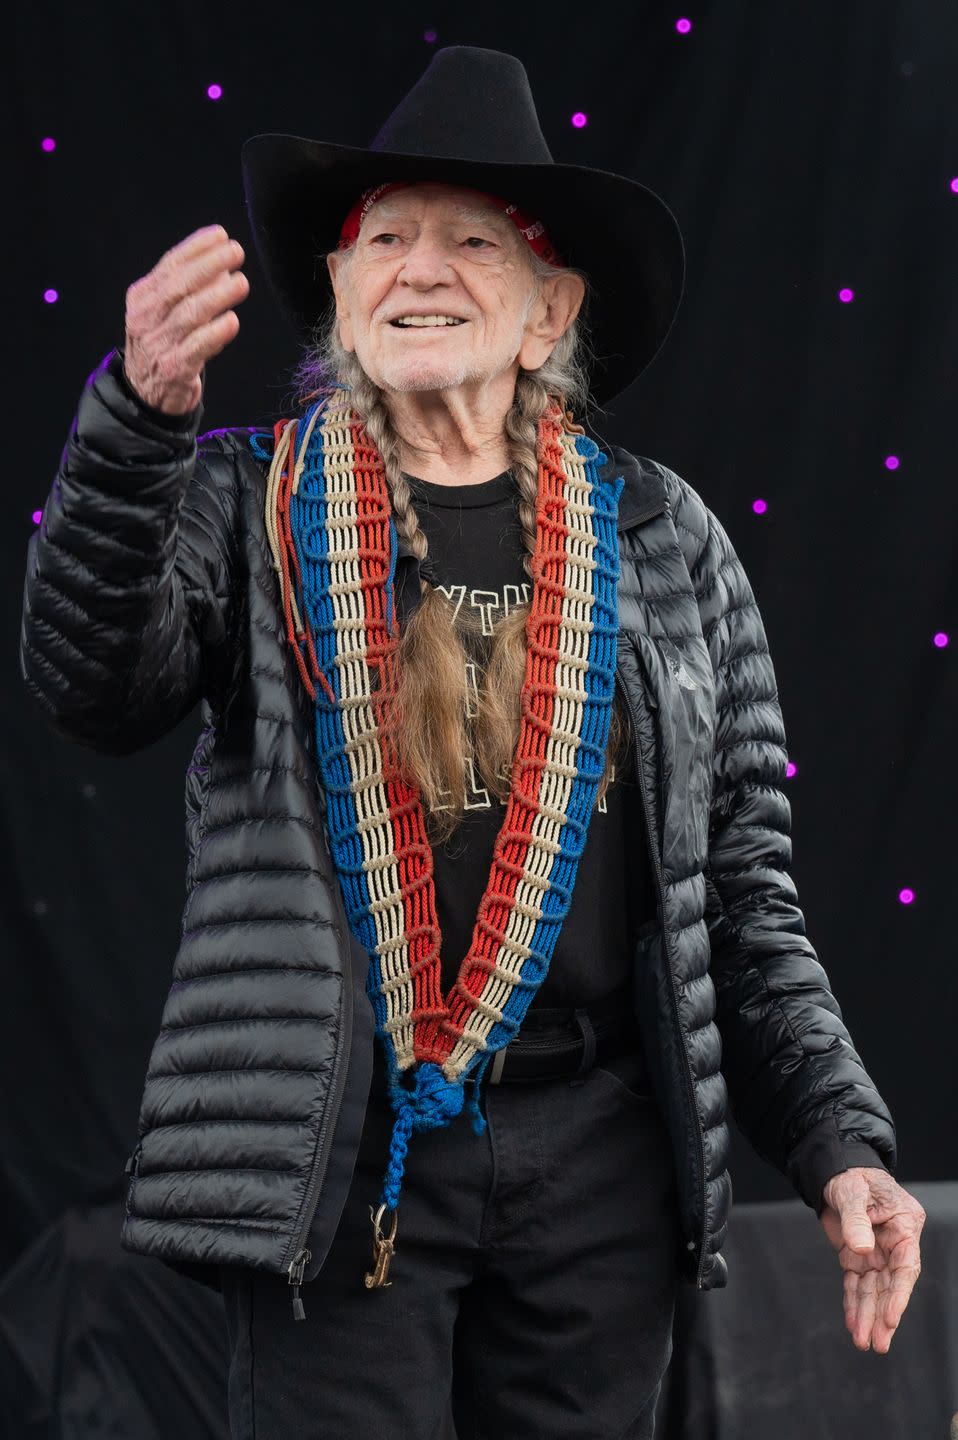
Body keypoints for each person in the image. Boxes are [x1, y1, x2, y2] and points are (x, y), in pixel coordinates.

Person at [20, 43, 924, 1440]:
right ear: (337, 289)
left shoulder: (663, 537)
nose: (416, 267)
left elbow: (739, 893)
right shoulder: (239, 504)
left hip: (599, 1165)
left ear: (547, 309)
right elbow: (89, 684)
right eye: (381, 236)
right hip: (342, 1151)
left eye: (469, 241)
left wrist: (837, 1141)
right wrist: (135, 429)